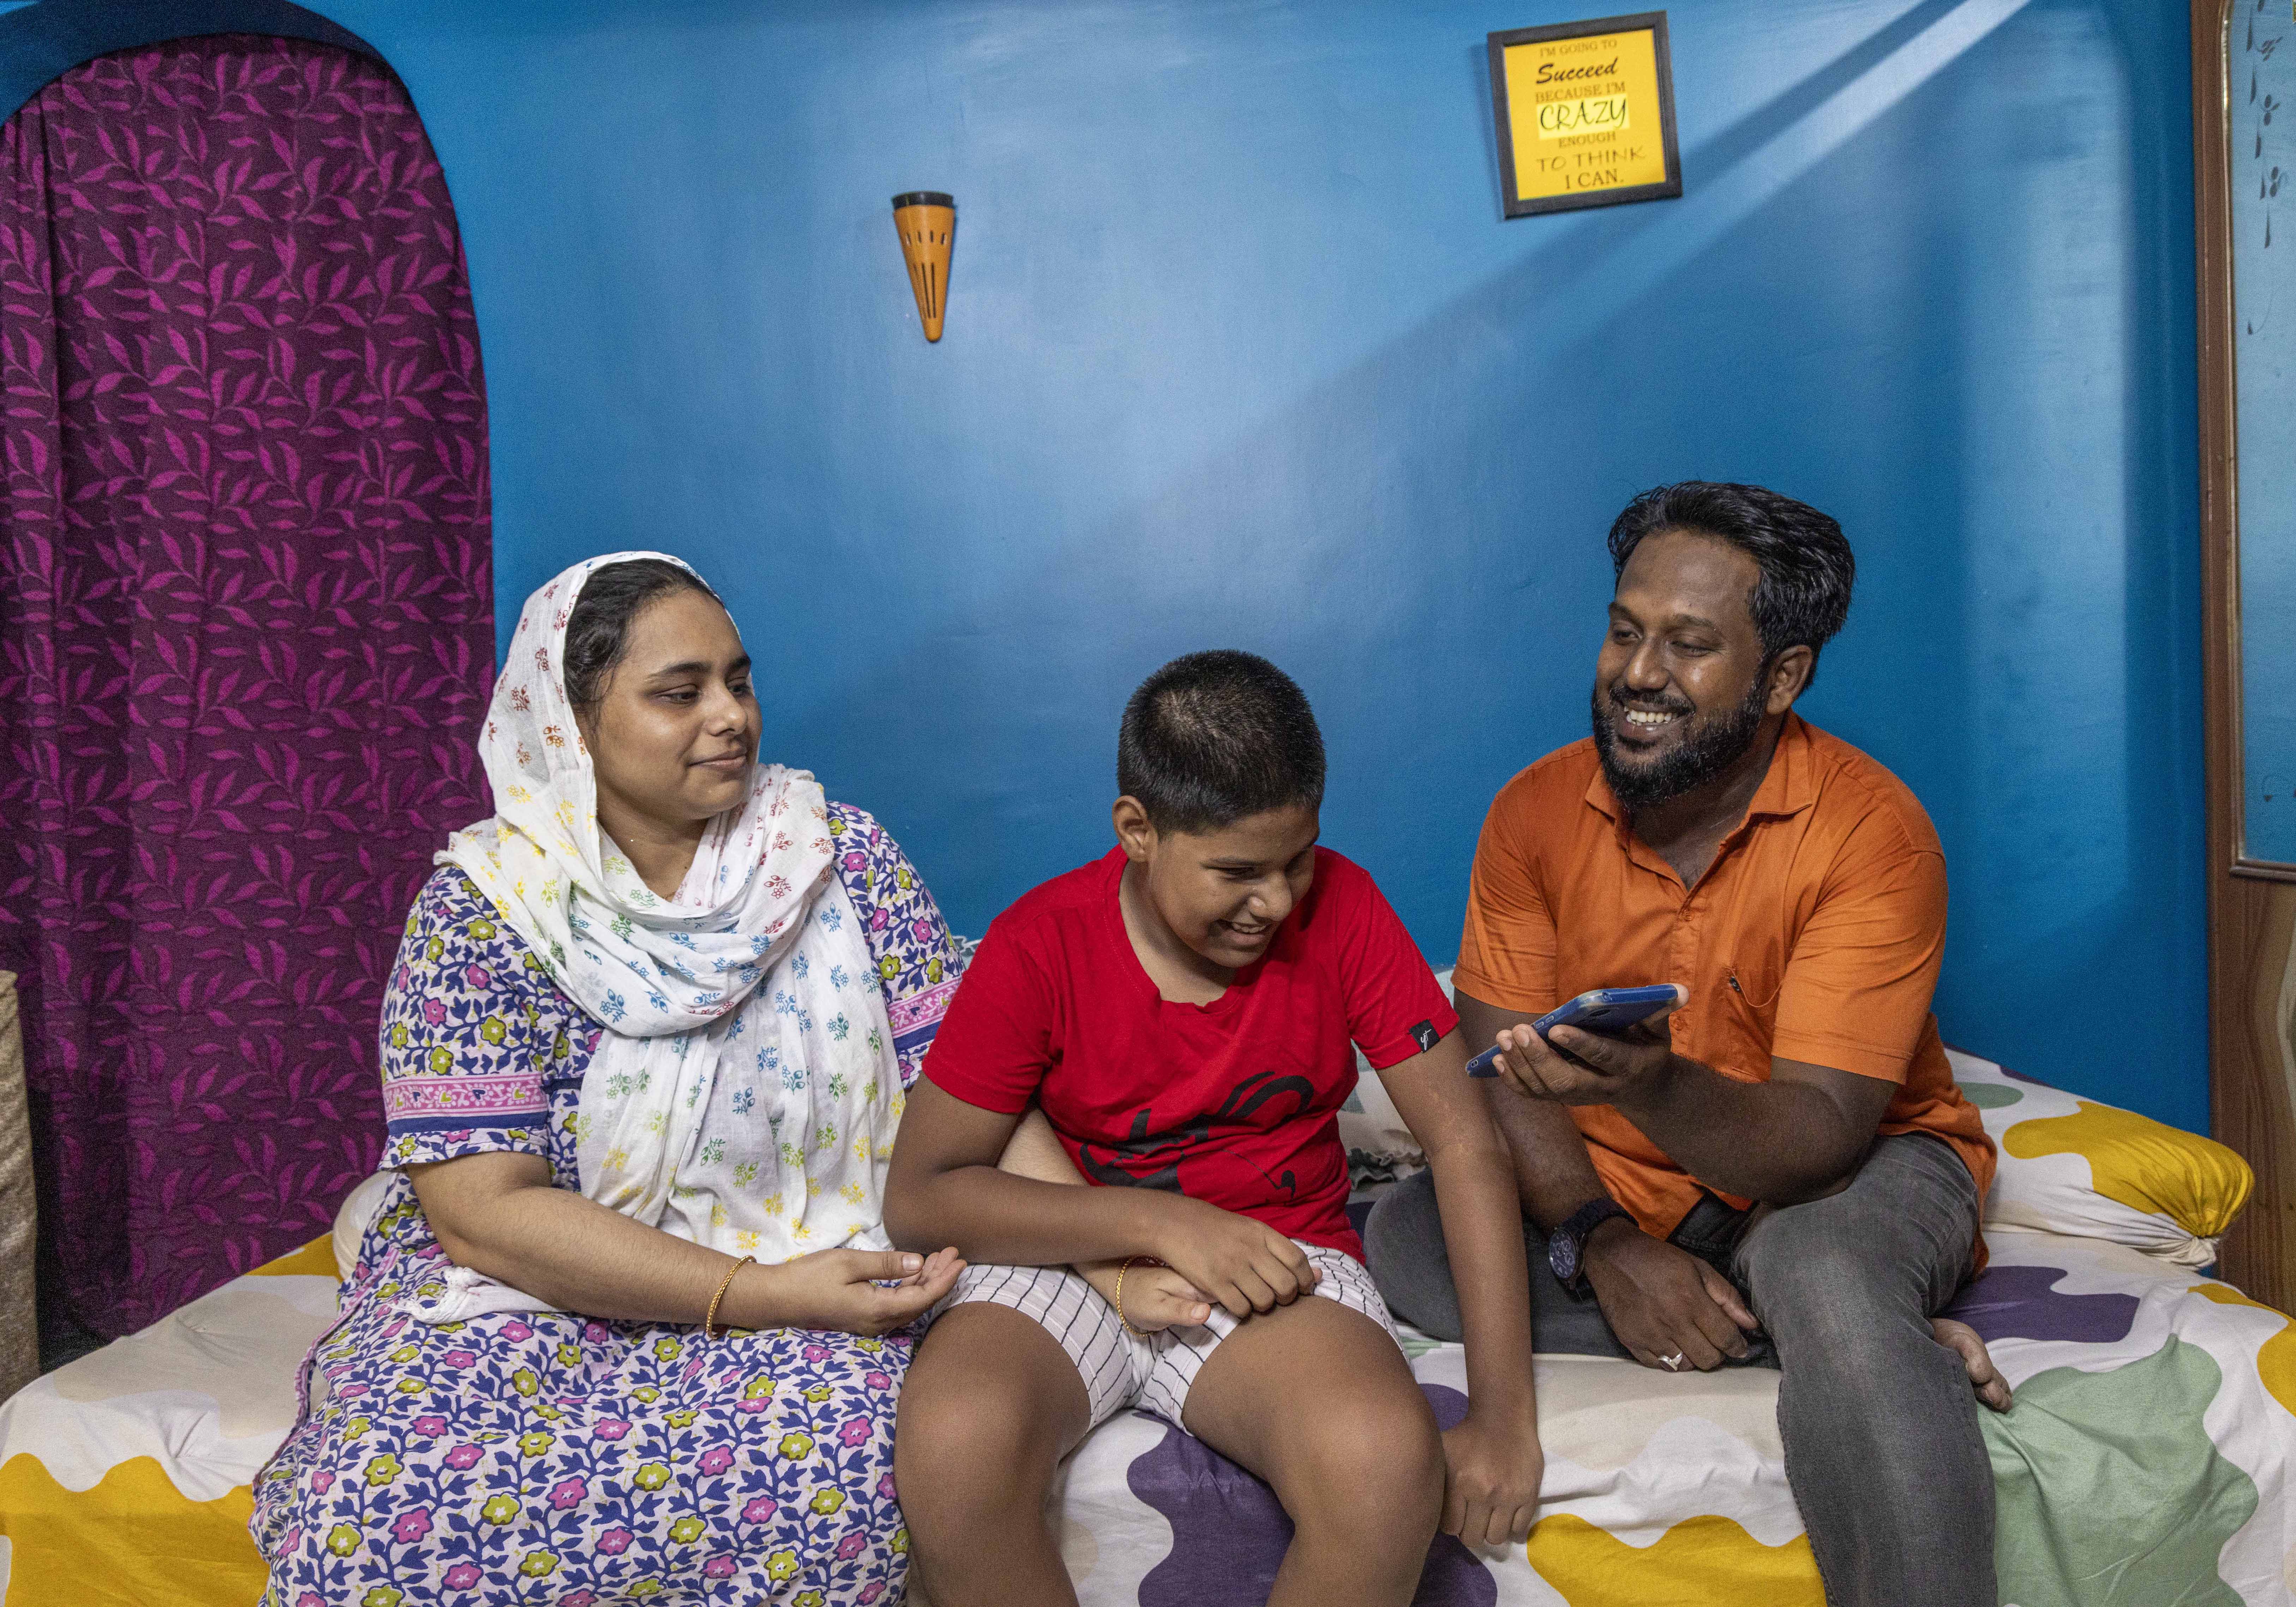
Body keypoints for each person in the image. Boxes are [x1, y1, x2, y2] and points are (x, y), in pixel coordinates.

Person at [252, 553, 1035, 1606]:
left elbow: (970, 1097)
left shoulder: (840, 860)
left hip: (825, 1277)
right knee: (385, 1500)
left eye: (739, 681)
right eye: (679, 692)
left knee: (835, 1475)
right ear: (570, 724)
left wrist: (1117, 1252)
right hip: (538, 1288)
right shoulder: (485, 909)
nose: (731, 716)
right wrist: (753, 1294)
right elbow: (484, 1213)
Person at [1366, 482, 2011, 1607]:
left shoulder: (1873, 834)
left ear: (1783, 676)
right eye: (1624, 631)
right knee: (1410, 1237)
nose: (1638, 672)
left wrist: (1650, 1083)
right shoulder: (1530, 812)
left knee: (1821, 1267)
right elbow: (1506, 1077)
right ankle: (1861, 1345)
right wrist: (1602, 1242)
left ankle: (1842, 1319)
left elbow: (1819, 1137)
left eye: (1689, 644)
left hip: (1846, 1174)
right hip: (1622, 1183)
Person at [882, 650, 1545, 1607]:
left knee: (1382, 1461)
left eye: (1296, 859)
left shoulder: (1345, 907)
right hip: (1070, 1261)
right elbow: (922, 1195)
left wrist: (1503, 1417)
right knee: (955, 1442)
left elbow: (1465, 1143)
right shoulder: (1040, 942)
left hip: (1275, 1263)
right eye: (1237, 871)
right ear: (1138, 830)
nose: (1276, 900)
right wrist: (1160, 1225)